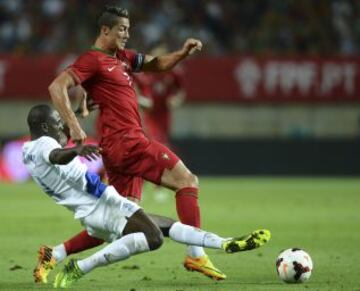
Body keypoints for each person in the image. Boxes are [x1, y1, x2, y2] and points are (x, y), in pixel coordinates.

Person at [47, 4, 246, 280]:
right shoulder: (92, 59)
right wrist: (74, 125)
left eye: (129, 29)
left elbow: (156, 64)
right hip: (128, 143)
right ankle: (196, 255)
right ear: (105, 29)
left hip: (116, 149)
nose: (127, 34)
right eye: (121, 29)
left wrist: (182, 53)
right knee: (187, 181)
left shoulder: (123, 58)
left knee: (121, 222)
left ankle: (56, 254)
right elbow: (56, 86)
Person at [23, 104, 271, 288]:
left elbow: (54, 149)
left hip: (93, 209)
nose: (61, 125)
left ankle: (225, 243)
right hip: (102, 205)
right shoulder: (47, 145)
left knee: (166, 225)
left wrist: (75, 113)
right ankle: (79, 268)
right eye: (57, 121)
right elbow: (56, 155)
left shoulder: (28, 150)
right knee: (154, 238)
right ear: (45, 127)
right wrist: (76, 150)